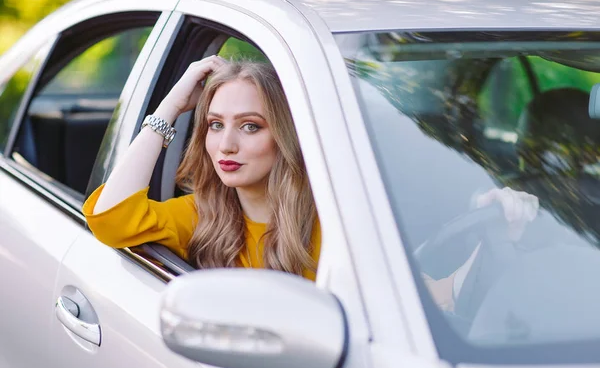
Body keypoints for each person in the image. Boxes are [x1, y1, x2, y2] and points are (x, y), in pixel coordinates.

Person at [82, 55, 538, 310]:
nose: (225, 146)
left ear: (284, 137)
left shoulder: (336, 223)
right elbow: (108, 218)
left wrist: (499, 230)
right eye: (215, 125)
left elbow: (440, 300)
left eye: (250, 126)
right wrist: (172, 106)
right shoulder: (201, 216)